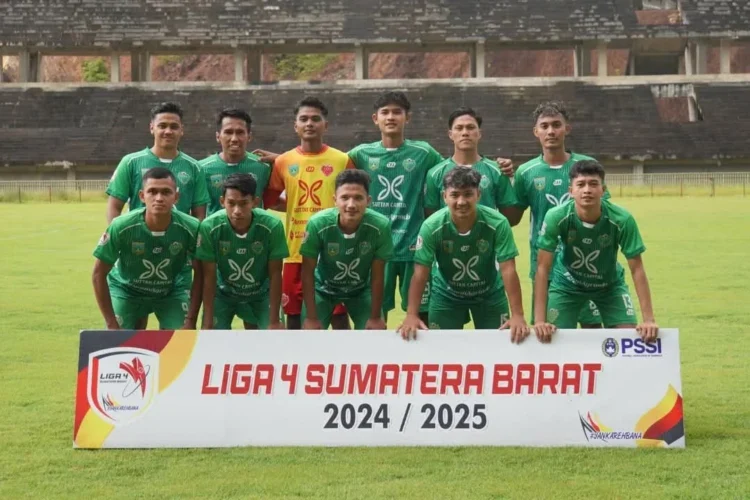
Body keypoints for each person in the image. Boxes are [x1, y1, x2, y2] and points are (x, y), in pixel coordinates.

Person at [397, 168, 529, 343]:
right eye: (455, 195)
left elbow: (508, 269)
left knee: (497, 348)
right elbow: (420, 273)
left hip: (490, 294)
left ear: (478, 194)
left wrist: (518, 315)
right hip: (446, 294)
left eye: (468, 194)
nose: (461, 201)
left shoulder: (498, 223)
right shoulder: (431, 226)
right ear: (444, 196)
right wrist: (411, 314)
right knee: (442, 349)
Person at [534, 160, 658, 343]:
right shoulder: (556, 216)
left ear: (603, 190)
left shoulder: (622, 219)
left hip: (609, 285)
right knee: (552, 338)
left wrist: (649, 320)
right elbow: (542, 268)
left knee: (627, 337)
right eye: (581, 184)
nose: (587, 190)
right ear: (571, 191)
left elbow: (637, 268)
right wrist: (539, 321)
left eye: (593, 184)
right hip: (567, 284)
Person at [347, 91, 443, 323]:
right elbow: (326, 161)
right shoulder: (361, 153)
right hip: (376, 249)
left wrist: (497, 165)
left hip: (414, 248)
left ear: (407, 118)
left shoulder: (424, 153)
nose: (391, 117)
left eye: (397, 112)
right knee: (374, 316)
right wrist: (283, 160)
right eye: (385, 112)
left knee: (422, 315)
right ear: (375, 118)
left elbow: (452, 169)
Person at [262, 96, 354, 330]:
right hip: (295, 250)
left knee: (338, 316)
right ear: (296, 126)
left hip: (332, 251)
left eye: (315, 119)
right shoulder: (283, 161)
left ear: (326, 125)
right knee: (294, 315)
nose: (309, 123)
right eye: (303, 119)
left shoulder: (342, 160)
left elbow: (353, 198)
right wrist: (294, 205)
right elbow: (270, 200)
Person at [513, 101, 605, 327]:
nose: (551, 131)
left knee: (593, 329)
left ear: (567, 129)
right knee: (547, 332)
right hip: (545, 264)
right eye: (544, 126)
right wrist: (502, 179)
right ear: (536, 131)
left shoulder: (586, 167)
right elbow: (513, 217)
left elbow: (604, 212)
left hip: (585, 263)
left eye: (556, 125)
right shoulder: (525, 172)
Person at [92, 168, 202, 330]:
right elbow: (98, 274)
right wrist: (111, 323)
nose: (159, 198)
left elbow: (201, 273)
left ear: (176, 197)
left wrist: (191, 320)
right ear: (142, 196)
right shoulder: (121, 226)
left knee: (182, 338)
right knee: (118, 338)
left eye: (166, 192)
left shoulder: (191, 227)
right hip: (126, 290)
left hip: (170, 291)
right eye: (152, 192)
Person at [299, 170, 393, 330]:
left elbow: (378, 275)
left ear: (368, 201)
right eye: (344, 198)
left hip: (361, 289)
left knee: (374, 335)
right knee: (310, 335)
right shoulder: (317, 224)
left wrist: (375, 317)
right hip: (323, 289)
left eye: (358, 198)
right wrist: (311, 317)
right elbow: (307, 272)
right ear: (335, 200)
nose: (351, 205)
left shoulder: (380, 226)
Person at [196, 173, 288, 330]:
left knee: (275, 336)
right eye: (231, 203)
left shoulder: (272, 225)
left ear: (255, 202)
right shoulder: (209, 227)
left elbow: (275, 274)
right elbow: (209, 276)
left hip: (261, 294)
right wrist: (207, 322)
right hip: (223, 294)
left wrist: (274, 321)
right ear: (222, 201)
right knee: (213, 338)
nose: (237, 211)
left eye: (243, 203)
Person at [106, 101, 209, 223]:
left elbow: (199, 216)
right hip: (138, 234)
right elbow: (114, 207)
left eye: (174, 127)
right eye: (162, 126)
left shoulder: (194, 167)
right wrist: (114, 233)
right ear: (152, 128)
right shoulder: (130, 163)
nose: (168, 131)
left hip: (178, 235)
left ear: (181, 130)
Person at [424, 107, 523, 226]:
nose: (465, 133)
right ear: (450, 134)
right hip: (449, 238)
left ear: (479, 133)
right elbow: (431, 219)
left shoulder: (497, 171)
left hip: (485, 237)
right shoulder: (435, 173)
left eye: (470, 127)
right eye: (459, 128)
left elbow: (511, 219)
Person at [199, 108, 272, 216]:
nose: (234, 139)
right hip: (216, 227)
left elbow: (278, 201)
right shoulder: (201, 168)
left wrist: (282, 159)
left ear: (249, 136)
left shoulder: (264, 166)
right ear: (218, 136)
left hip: (255, 227)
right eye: (228, 132)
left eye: (240, 132)